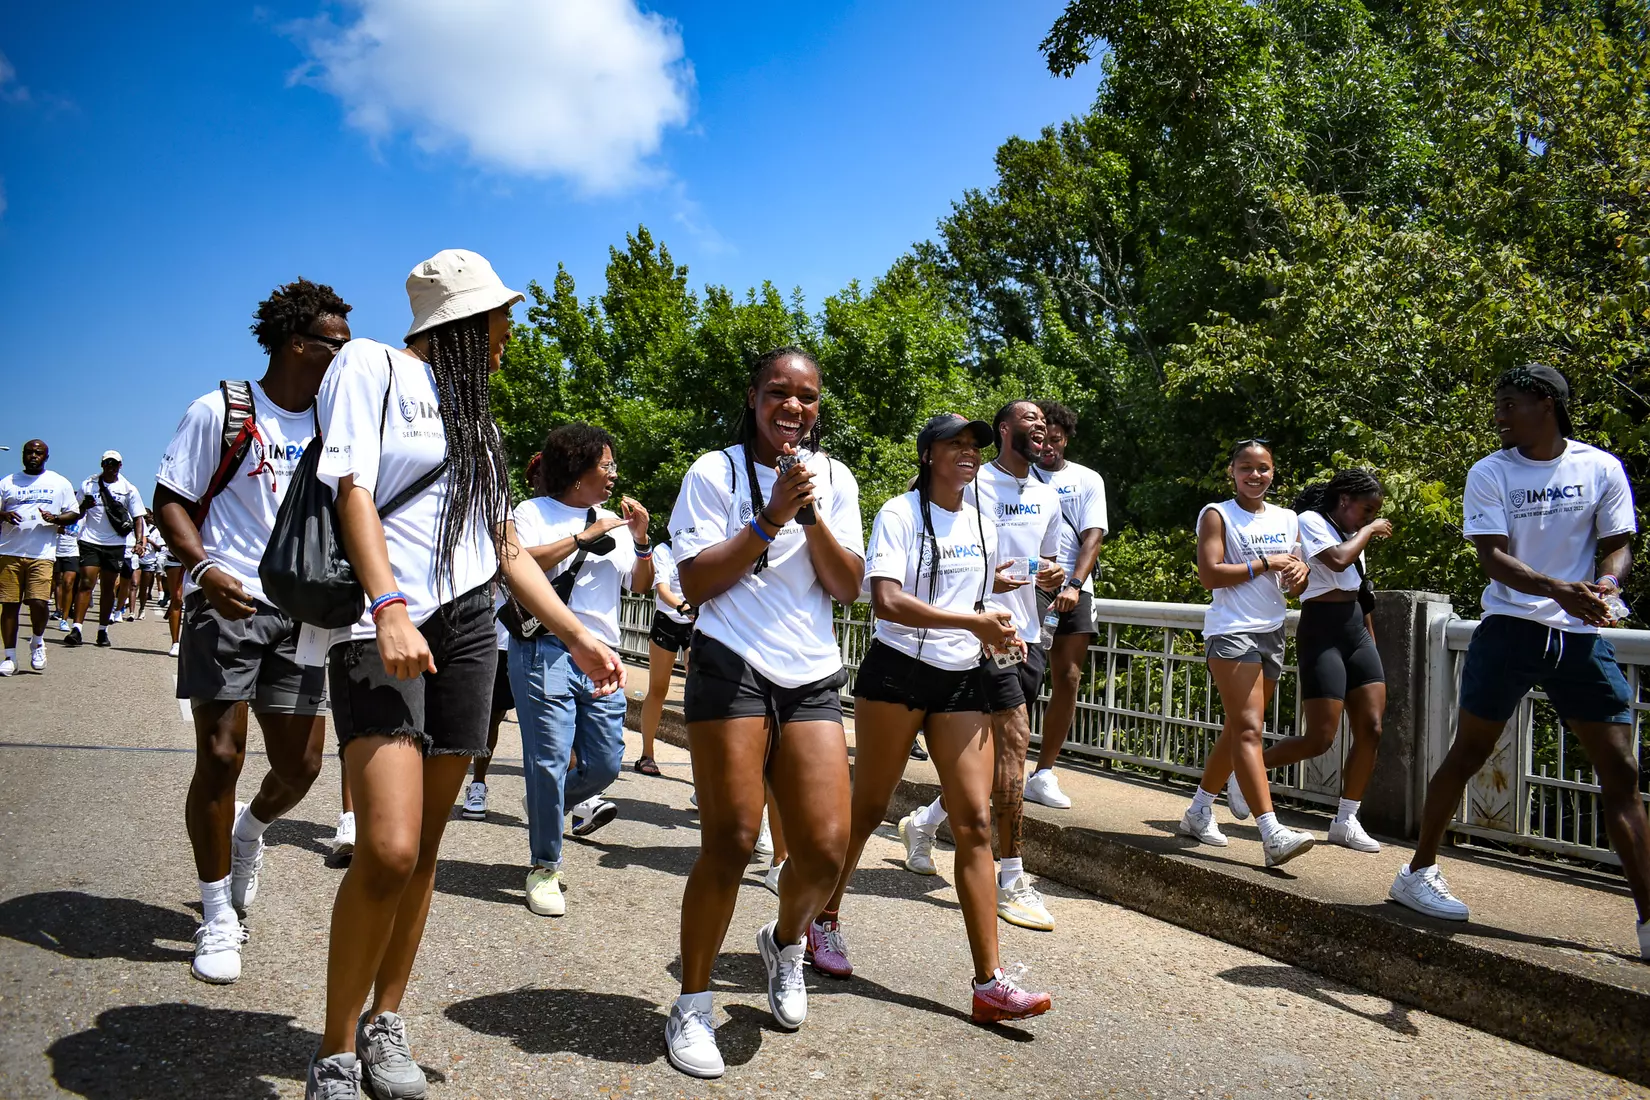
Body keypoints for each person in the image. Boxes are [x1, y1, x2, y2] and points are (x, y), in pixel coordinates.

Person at [304, 249, 624, 1100]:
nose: (507, 334)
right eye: (498, 319)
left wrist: (578, 637)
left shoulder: (477, 419)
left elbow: (505, 548)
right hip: (385, 623)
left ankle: (385, 1023)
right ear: (460, 321)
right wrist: (388, 605)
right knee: (387, 846)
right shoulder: (369, 366)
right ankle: (334, 1053)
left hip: (469, 625)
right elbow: (353, 492)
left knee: (426, 852)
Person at [1390, 365, 1650, 964]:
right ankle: (1418, 872)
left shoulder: (1600, 467)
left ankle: (1647, 916)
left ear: (1546, 404)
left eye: (1509, 405)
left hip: (1580, 637)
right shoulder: (1491, 472)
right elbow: (1493, 559)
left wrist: (1606, 586)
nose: (1499, 417)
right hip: (1509, 630)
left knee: (1621, 770)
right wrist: (1559, 588)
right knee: (1468, 753)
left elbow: (1618, 543)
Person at [662, 345, 863, 1079]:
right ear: (753, 398)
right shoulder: (713, 473)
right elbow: (695, 583)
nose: (793, 408)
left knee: (825, 851)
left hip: (809, 671)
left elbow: (846, 588)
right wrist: (769, 518)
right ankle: (691, 1003)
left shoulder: (834, 478)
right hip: (730, 664)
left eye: (807, 398)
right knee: (733, 840)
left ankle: (783, 942)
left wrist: (809, 516)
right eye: (779, 393)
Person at [815, 413, 1053, 1021]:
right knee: (868, 807)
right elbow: (886, 598)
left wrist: (1001, 618)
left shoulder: (981, 516)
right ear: (928, 456)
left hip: (962, 676)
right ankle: (822, 917)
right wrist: (971, 621)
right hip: (897, 673)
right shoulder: (897, 512)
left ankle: (989, 983)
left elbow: (980, 588)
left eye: (974, 446)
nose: (969, 455)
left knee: (974, 819)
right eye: (955, 446)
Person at [152, 277, 354, 986]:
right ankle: (216, 916)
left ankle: (250, 832)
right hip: (228, 598)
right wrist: (204, 570)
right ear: (299, 344)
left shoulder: (340, 427)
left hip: (306, 612)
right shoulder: (222, 411)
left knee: (299, 767)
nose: (346, 356)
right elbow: (170, 502)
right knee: (220, 753)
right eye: (337, 344)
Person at [902, 400, 1065, 932]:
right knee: (1015, 745)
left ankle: (923, 823)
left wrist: (1051, 578)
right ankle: (1011, 877)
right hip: (980, 636)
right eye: (1029, 421)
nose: (1041, 428)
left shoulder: (1046, 494)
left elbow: (1044, 566)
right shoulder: (972, 484)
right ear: (1003, 430)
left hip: (1027, 635)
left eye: (1046, 423)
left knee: (992, 758)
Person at [508, 422, 653, 917]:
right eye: (606, 465)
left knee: (608, 761)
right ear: (579, 467)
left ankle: (546, 804)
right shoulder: (531, 512)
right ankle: (544, 866)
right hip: (544, 647)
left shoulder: (613, 517)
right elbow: (520, 562)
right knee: (548, 759)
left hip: (605, 655)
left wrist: (641, 539)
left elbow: (640, 584)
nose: (613, 474)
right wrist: (583, 536)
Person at [1177, 440, 1317, 867]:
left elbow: (1297, 584)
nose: (1255, 476)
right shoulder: (1217, 514)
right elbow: (1210, 575)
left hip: (1272, 631)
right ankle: (1271, 832)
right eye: (1246, 468)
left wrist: (1300, 572)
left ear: (1274, 472)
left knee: (1239, 729)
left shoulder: (1288, 518)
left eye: (1263, 469)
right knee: (1251, 729)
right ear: (1232, 472)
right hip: (1231, 631)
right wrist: (1266, 563)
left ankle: (1199, 810)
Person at [1263, 469, 1392, 853]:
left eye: (1373, 514)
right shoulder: (1311, 521)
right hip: (1321, 630)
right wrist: (1368, 532)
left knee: (1372, 726)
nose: (1369, 518)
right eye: (1366, 509)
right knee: (1320, 738)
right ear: (1344, 500)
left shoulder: (1355, 532)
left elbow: (1360, 588)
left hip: (1355, 629)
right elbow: (1336, 561)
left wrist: (1369, 641)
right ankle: (1245, 770)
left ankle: (1346, 819)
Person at [1025, 400, 1108, 810]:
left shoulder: (1087, 479)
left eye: (1055, 440)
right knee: (1021, 676)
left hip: (1075, 588)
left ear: (1067, 438)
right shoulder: (1016, 475)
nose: (1048, 448)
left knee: (1069, 677)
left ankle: (1043, 772)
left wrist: (1075, 583)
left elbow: (1093, 535)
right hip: (1025, 587)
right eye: (1042, 440)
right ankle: (999, 761)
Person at [0, 439, 79, 675]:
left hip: (42, 554)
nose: (33, 456)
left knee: (38, 602)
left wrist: (55, 519)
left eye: (38, 453)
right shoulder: (8, 482)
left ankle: (37, 640)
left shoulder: (58, 482)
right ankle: (10, 655)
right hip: (9, 551)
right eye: (29, 452)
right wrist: (4, 514)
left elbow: (73, 513)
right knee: (9, 605)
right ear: (23, 455)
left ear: (46, 457)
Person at [68, 451, 145, 648]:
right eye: (107, 463)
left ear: (120, 466)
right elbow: (75, 512)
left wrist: (139, 541)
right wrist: (84, 506)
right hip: (90, 540)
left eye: (115, 463)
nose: (111, 466)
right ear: (102, 464)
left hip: (115, 543)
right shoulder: (88, 484)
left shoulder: (128, 489)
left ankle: (103, 630)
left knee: (109, 587)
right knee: (86, 582)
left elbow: (138, 517)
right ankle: (77, 628)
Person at [636, 535, 693, 776]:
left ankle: (698, 764)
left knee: (697, 692)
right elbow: (662, 590)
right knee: (658, 688)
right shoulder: (664, 550)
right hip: (668, 620)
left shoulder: (703, 547)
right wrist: (683, 607)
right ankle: (646, 754)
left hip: (696, 623)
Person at [459, 595, 514, 821]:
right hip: (504, 633)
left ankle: (567, 792)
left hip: (551, 638)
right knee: (492, 714)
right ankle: (478, 784)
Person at [53, 515, 83, 633]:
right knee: (57, 582)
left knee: (68, 583)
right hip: (55, 551)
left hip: (72, 552)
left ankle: (64, 619)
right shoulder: (57, 515)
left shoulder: (81, 517)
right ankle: (58, 609)